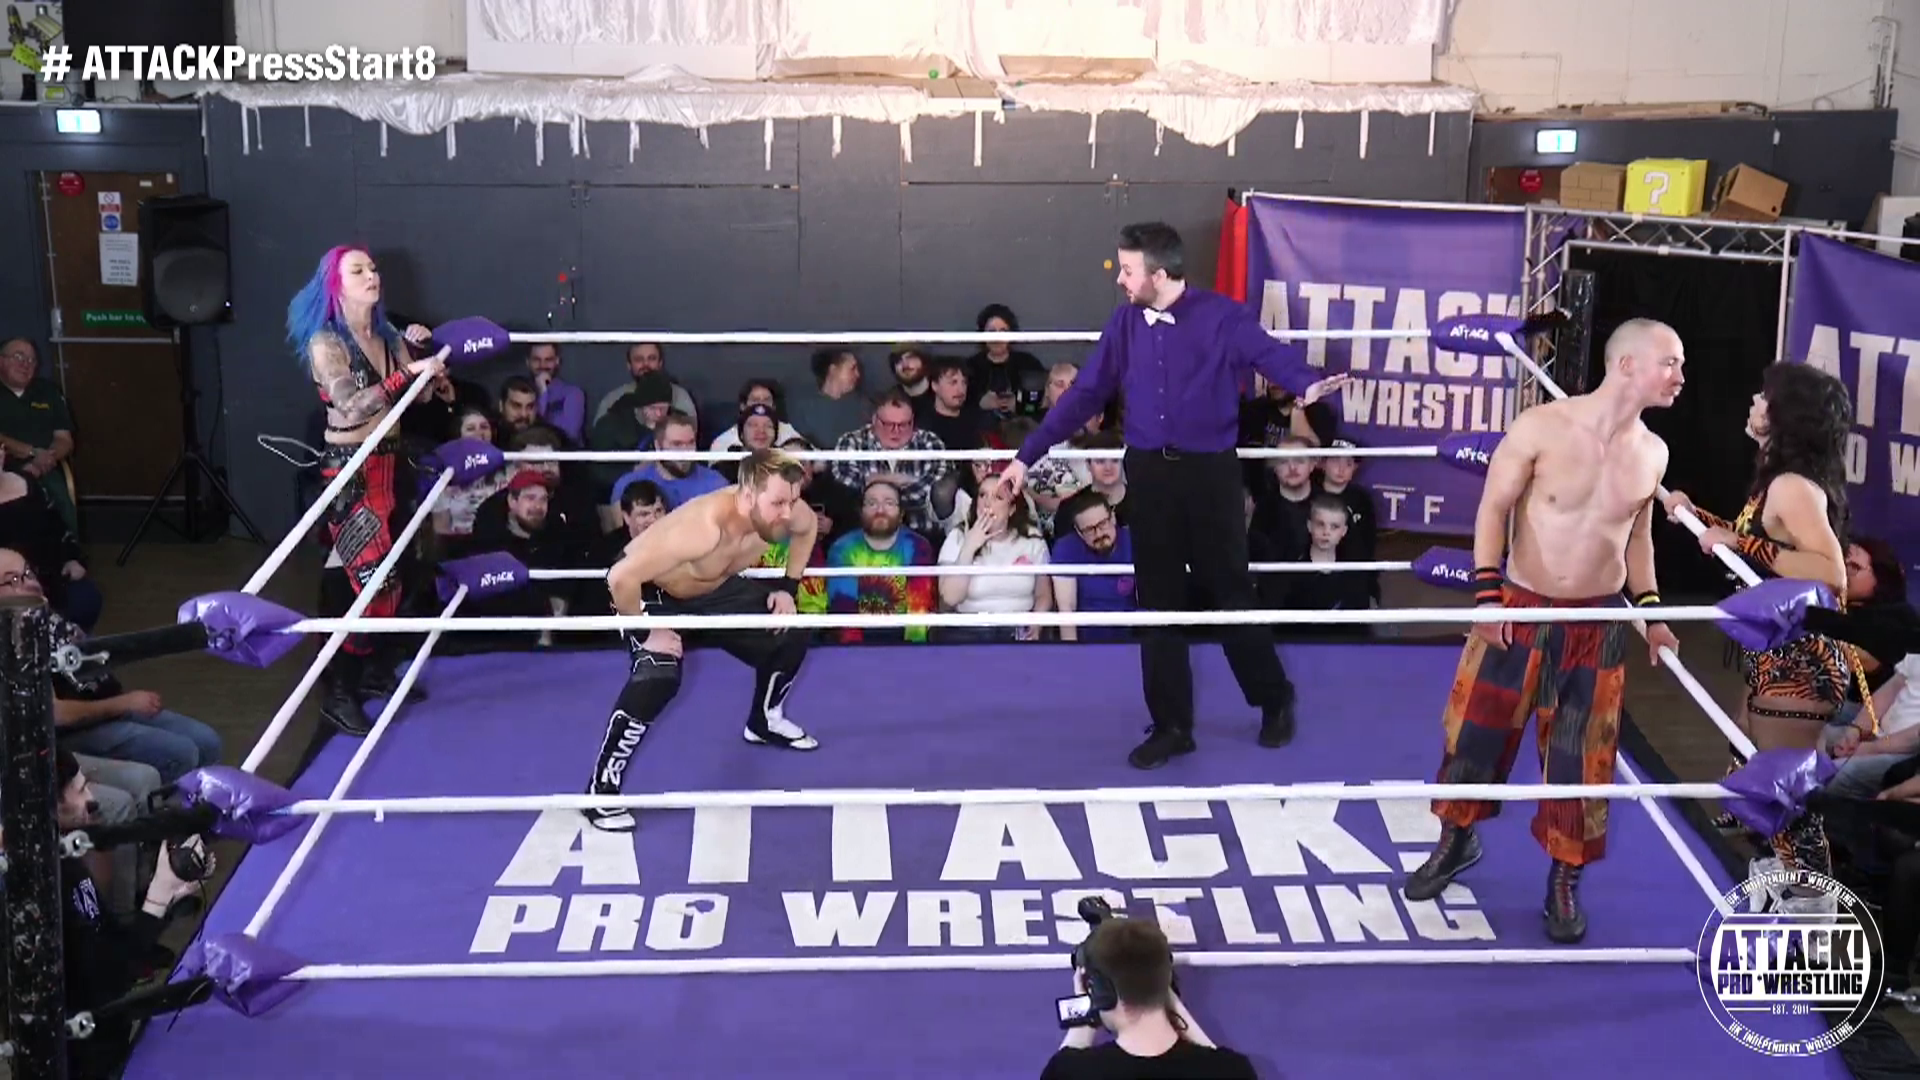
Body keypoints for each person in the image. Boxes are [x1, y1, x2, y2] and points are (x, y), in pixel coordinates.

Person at [998, 222, 1349, 769]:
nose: (1120, 280)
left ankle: (1274, 698)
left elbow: (1268, 354)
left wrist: (1306, 383)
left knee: (1230, 592)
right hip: (1150, 474)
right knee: (1157, 599)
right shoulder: (1125, 323)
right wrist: (1027, 455)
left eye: (1128, 270)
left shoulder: (1222, 316)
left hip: (1210, 475)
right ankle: (1171, 725)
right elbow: (1086, 392)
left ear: (1159, 274)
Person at [1400, 318, 1687, 944]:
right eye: (1670, 362)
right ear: (1628, 364)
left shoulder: (1654, 452)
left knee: (1584, 759)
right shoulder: (1541, 427)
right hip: (1519, 609)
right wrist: (1487, 599)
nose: (1681, 377)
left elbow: (1638, 539)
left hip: (1596, 622)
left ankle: (1564, 877)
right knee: (1475, 734)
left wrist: (1653, 615)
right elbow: (1493, 508)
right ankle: (1456, 840)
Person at [1662, 362, 1856, 891]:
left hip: (1801, 660)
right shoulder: (1777, 483)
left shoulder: (1792, 486)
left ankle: (1813, 905)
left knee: (1784, 786)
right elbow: (1758, 548)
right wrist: (1696, 517)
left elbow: (1831, 572)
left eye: (1764, 395)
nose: (1753, 401)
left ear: (1786, 414)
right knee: (1754, 752)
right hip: (1780, 652)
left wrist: (1739, 542)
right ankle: (1788, 878)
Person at [585, 448, 822, 832]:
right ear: (748, 496)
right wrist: (646, 631)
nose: (787, 512)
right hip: (650, 588)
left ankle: (764, 720)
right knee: (658, 675)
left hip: (713, 589)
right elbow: (620, 578)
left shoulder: (788, 510)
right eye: (778, 503)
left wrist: (788, 588)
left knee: (789, 631)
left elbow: (807, 529)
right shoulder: (704, 527)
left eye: (792, 501)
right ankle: (600, 790)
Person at [287, 246, 447, 735]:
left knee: (401, 572)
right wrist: (407, 373)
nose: (371, 276)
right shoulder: (326, 342)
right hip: (350, 469)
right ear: (336, 284)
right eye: (357, 270)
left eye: (373, 269)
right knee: (357, 582)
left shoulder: (389, 335)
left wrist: (426, 363)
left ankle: (375, 670)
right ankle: (338, 690)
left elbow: (417, 397)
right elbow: (351, 406)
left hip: (391, 462)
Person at [54, 749, 210, 1078]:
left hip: (104, 1034)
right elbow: (112, 978)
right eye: (80, 790)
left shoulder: (65, 860)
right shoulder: (48, 888)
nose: (92, 798)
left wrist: (170, 895)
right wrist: (158, 897)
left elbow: (111, 941)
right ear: (51, 808)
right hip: (86, 1060)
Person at [1041, 917, 1257, 1079]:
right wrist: (1167, 996)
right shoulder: (1232, 1071)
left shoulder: (1069, 1072)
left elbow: (1063, 1065)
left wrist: (1085, 1014)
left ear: (1099, 991)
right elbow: (1218, 1065)